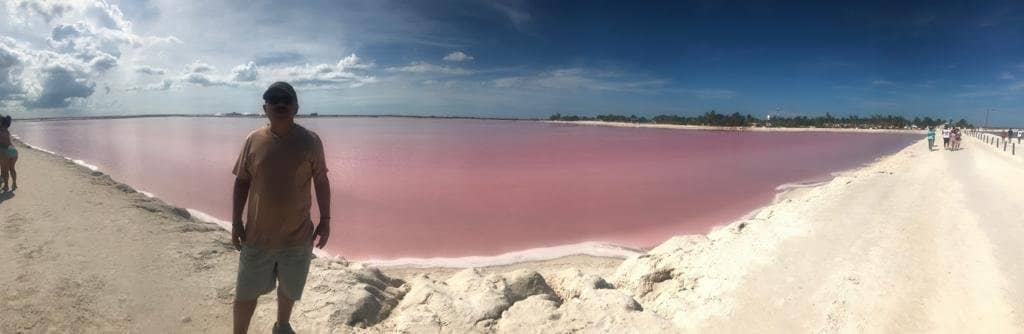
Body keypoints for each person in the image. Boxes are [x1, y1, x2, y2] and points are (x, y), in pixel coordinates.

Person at [231, 82, 331, 334]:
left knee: (290, 289)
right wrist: (236, 223)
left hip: (297, 237)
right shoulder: (253, 140)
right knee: (245, 292)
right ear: (265, 108)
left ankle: (282, 325)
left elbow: (321, 180)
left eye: (286, 99)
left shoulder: (311, 141)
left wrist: (326, 220)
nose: (280, 104)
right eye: (273, 100)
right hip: (257, 236)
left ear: (296, 106)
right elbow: (242, 181)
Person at [0, 115, 17, 192]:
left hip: (5, 151)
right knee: (12, 168)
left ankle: (6, 186)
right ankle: (14, 183)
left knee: (4, 170)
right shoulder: (7, 130)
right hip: (14, 151)